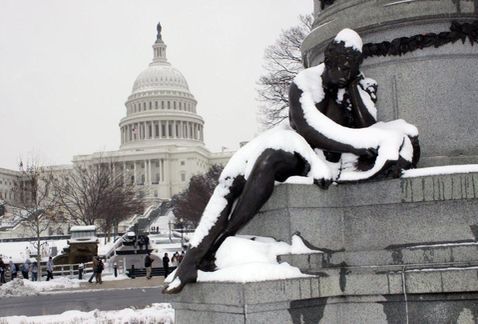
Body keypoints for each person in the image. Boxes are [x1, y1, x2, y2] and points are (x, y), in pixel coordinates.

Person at [163, 29, 419, 294]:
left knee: (269, 160)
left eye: (350, 68)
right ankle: (192, 258)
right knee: (229, 180)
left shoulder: (361, 86)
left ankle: (221, 242)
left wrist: (354, 89)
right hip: (297, 147)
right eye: (340, 66)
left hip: (303, 157)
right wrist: (366, 144)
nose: (344, 72)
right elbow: (309, 129)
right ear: (328, 60)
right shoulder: (304, 82)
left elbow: (369, 125)